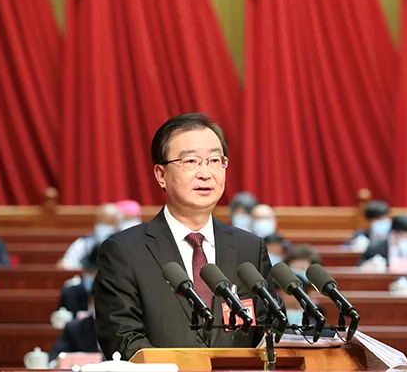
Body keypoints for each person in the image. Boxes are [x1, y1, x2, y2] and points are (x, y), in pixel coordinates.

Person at [95, 113, 274, 360]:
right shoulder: (124, 251)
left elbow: (268, 332)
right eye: (191, 161)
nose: (205, 173)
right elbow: (123, 338)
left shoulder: (249, 248)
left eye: (214, 160)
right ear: (161, 175)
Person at [57, 203, 121, 270]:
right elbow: (67, 265)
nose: (104, 226)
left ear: (118, 224)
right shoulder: (83, 243)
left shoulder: (124, 245)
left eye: (109, 222)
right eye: (101, 221)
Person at [58, 246, 99, 316]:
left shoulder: (113, 295)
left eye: (96, 273)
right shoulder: (70, 293)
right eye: (90, 271)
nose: (93, 276)